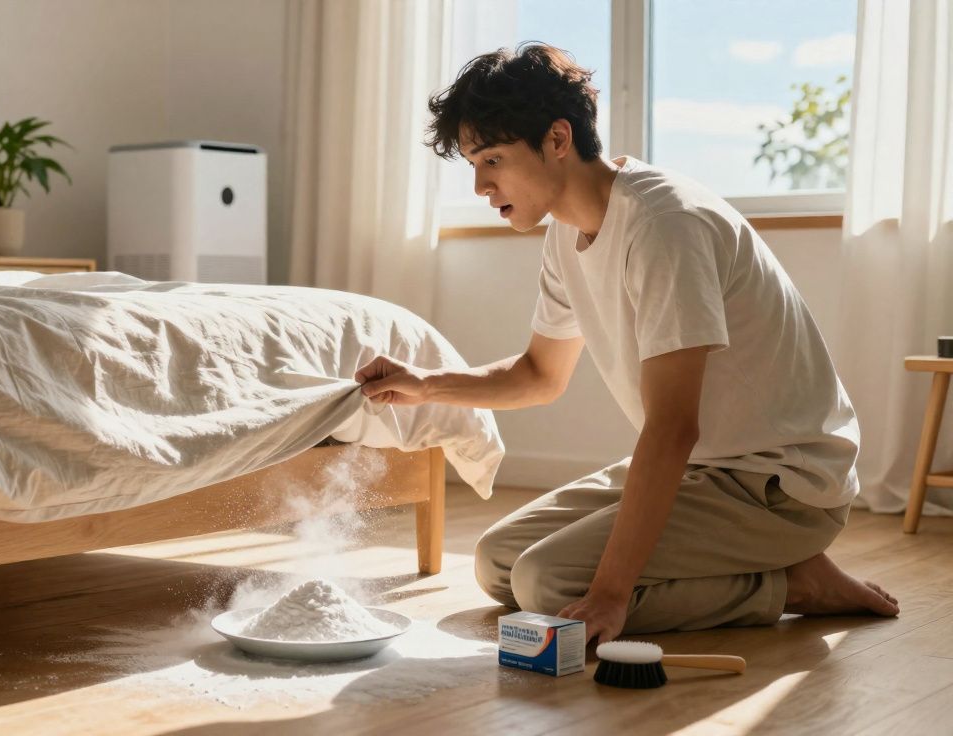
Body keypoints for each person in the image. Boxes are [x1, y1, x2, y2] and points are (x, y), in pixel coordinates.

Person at [354, 43, 899, 645]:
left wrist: (613, 595)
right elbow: (540, 374)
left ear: (558, 139)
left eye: (492, 160)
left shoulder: (666, 225)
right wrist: (426, 385)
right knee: (498, 562)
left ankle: (796, 585)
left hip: (782, 483)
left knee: (546, 584)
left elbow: (672, 427)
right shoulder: (566, 233)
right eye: (474, 166)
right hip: (707, 471)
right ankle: (778, 567)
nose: (482, 185)